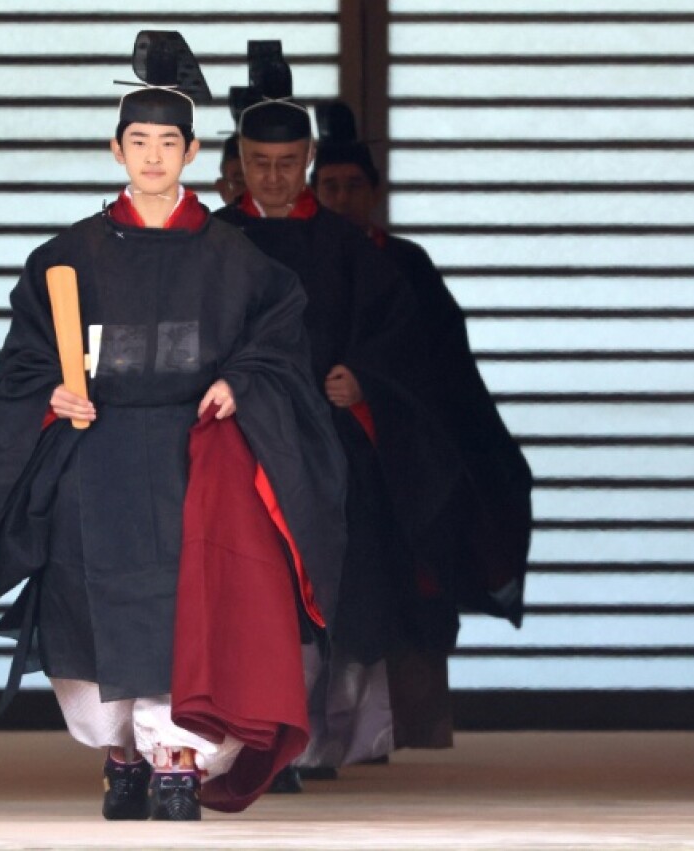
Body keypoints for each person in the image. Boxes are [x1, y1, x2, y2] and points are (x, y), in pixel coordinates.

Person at [0, 32, 347, 822]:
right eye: (138, 141)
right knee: (90, 606)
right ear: (115, 148)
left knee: (186, 607)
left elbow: (278, 347)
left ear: (190, 151)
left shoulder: (242, 261)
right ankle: (122, 752)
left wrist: (240, 382)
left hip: (193, 459)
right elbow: (21, 364)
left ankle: (177, 755)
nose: (153, 156)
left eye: (168, 142)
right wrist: (53, 393)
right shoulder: (66, 256)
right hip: (96, 456)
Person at [217, 43, 530, 786]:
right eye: (258, 163)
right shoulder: (213, 242)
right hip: (241, 441)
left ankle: (314, 743)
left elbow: (402, 342)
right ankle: (246, 740)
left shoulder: (350, 247)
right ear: (240, 162)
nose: (271, 176)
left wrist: (364, 382)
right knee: (247, 594)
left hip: (331, 450)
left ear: (305, 160)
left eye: (286, 163)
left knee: (332, 596)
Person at [310, 100, 534, 753]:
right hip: (329, 459)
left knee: (415, 599)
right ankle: (326, 741)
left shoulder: (408, 264)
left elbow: (442, 368)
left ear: (375, 192)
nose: (344, 196)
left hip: (404, 457)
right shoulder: (306, 260)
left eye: (354, 185)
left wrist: (372, 389)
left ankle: (416, 736)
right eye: (330, 185)